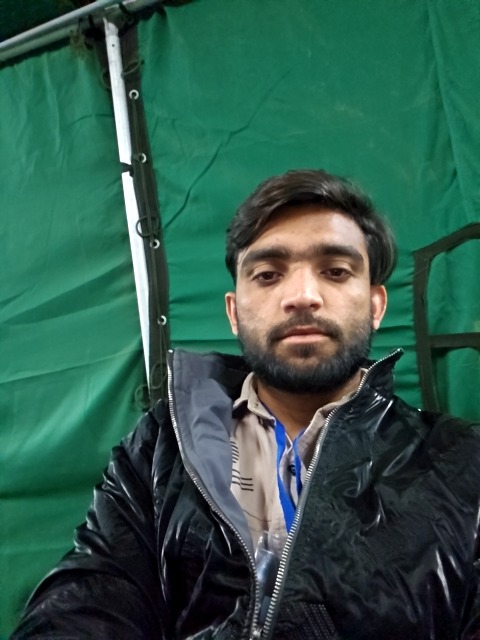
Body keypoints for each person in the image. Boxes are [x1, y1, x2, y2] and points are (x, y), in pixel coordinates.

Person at [12, 169, 480, 640]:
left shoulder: (462, 461)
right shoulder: (160, 449)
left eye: (336, 271)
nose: (303, 296)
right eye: (268, 275)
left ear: (376, 306)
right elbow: (92, 596)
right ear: (234, 313)